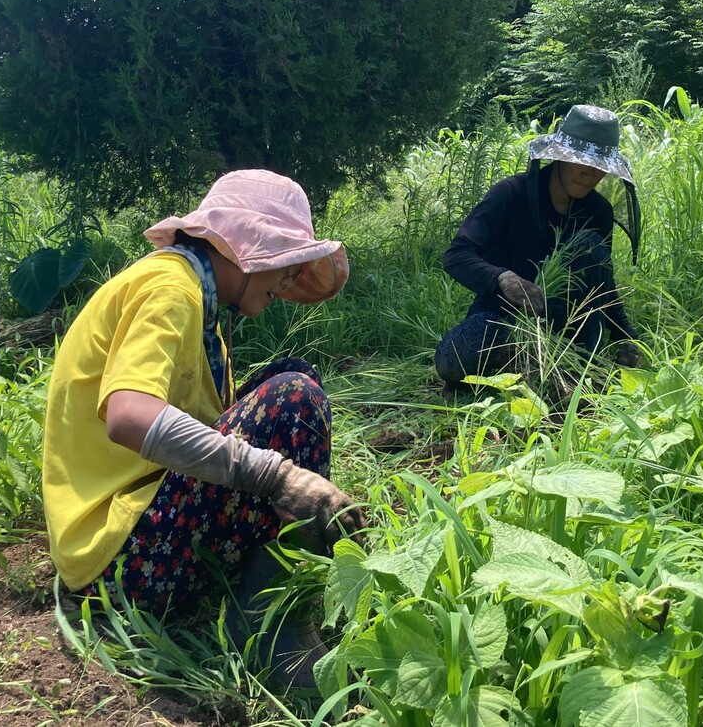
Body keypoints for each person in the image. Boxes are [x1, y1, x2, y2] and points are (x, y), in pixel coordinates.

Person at [42, 169, 364, 689]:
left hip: (141, 523)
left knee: (295, 377)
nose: (286, 282)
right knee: (293, 399)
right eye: (282, 265)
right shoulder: (170, 289)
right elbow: (129, 415)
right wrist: (277, 477)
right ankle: (266, 626)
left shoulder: (194, 292)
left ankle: (274, 590)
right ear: (243, 248)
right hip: (119, 560)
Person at [435, 104, 643, 391]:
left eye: (598, 166)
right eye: (579, 161)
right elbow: (456, 255)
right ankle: (515, 359)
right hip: (504, 314)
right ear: (558, 157)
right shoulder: (510, 194)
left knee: (589, 244)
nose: (589, 173)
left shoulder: (598, 212)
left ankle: (549, 369)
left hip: (570, 323)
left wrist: (624, 335)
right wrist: (503, 279)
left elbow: (601, 282)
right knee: (452, 360)